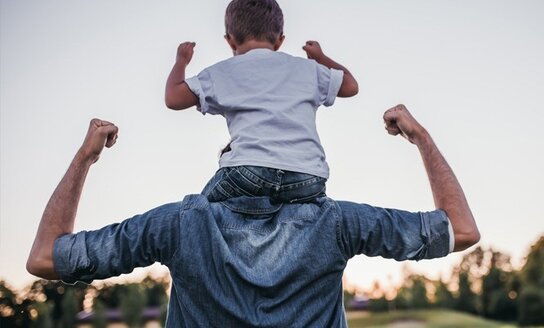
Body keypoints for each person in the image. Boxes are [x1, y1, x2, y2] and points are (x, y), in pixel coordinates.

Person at [27, 105, 480, 327]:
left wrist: (85, 158)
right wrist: (420, 138)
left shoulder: (180, 225)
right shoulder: (336, 223)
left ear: (226, 161)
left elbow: (46, 258)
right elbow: (461, 230)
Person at [165, 0, 359, 204]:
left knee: (199, 212)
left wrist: (181, 60)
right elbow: (350, 86)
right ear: (280, 41)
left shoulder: (223, 71)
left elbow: (173, 98)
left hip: (248, 173)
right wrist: (320, 58)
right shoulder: (306, 68)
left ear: (230, 41)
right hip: (308, 177)